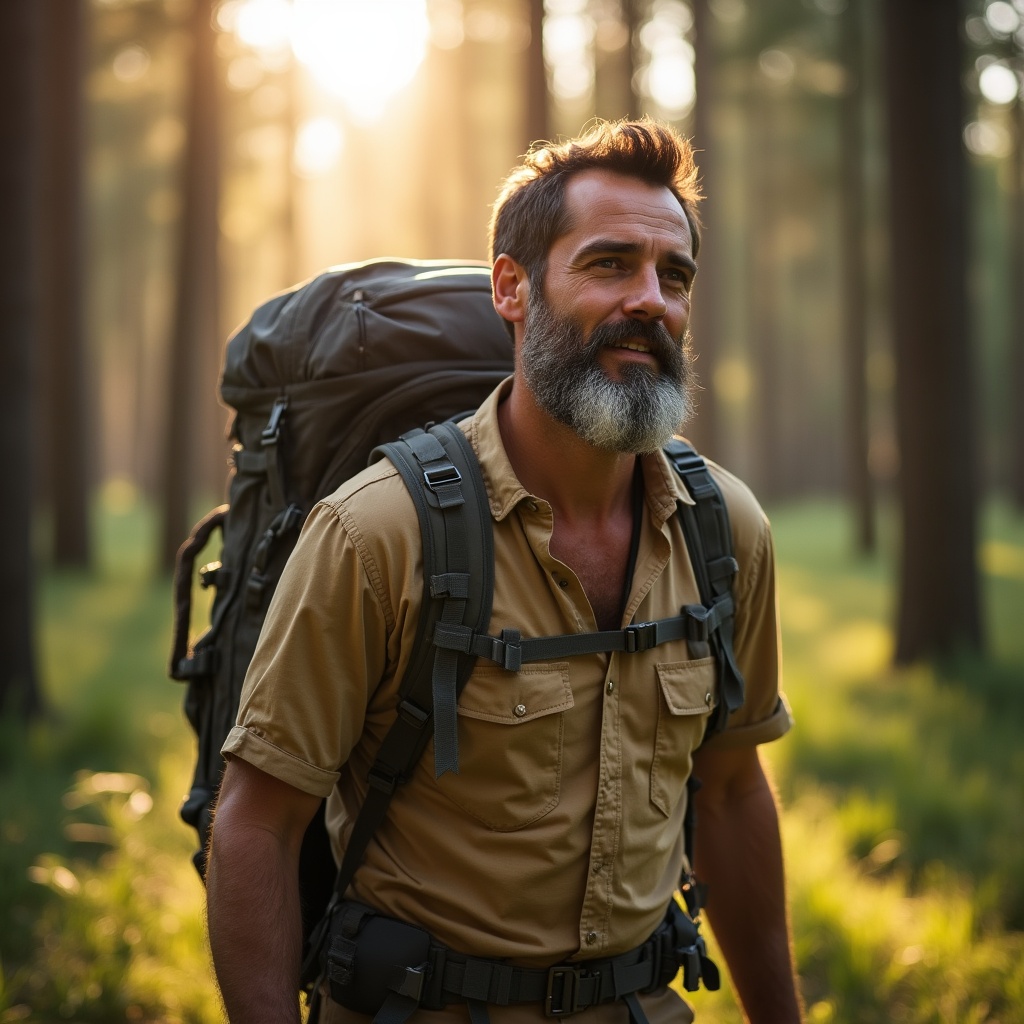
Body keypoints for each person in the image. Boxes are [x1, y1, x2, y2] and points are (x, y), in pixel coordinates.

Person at [206, 119, 803, 1024]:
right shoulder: (379, 534)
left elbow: (728, 791)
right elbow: (257, 823)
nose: (652, 300)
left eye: (672, 275)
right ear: (511, 288)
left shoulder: (724, 528)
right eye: (609, 264)